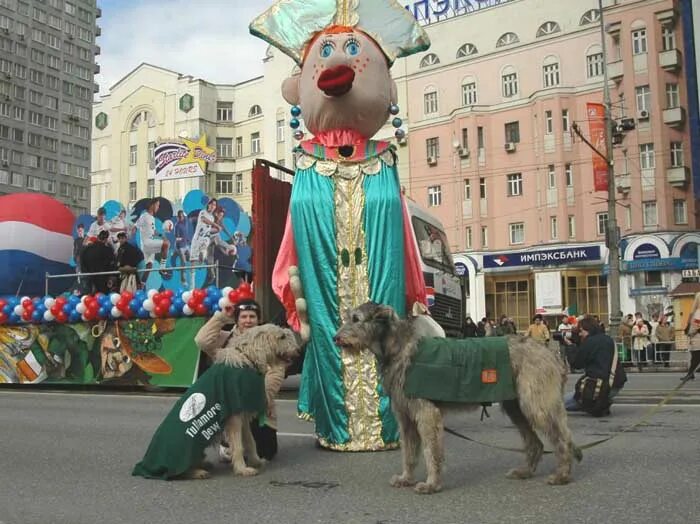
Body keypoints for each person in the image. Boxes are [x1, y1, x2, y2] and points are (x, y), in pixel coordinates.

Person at [194, 298, 282, 460]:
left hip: (258, 407)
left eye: (252, 316)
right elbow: (201, 341)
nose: (248, 321)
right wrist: (221, 317)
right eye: (243, 316)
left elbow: (275, 373)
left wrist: (262, 399)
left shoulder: (269, 341)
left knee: (267, 452)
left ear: (259, 319)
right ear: (237, 320)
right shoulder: (226, 340)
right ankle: (228, 443)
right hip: (231, 406)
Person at [565, 316, 627, 416]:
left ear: (588, 330)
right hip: (616, 383)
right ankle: (602, 402)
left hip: (599, 387)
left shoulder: (590, 342)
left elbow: (576, 364)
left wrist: (571, 347)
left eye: (581, 331)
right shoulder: (607, 339)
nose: (579, 334)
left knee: (559, 404)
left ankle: (596, 403)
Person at [135, 198, 170, 279]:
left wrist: (162, 236)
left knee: (149, 266)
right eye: (157, 205)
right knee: (167, 244)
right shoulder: (144, 216)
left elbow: (153, 231)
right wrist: (130, 231)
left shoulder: (152, 218)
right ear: (152, 205)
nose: (158, 207)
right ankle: (162, 268)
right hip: (147, 243)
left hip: (148, 244)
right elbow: (136, 226)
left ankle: (142, 285)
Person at [681, 292, 700, 381]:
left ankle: (690, 374)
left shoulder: (698, 312)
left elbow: (696, 325)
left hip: (697, 337)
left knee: (695, 356)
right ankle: (690, 373)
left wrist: (690, 332)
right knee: (695, 356)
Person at [171, 210, 191, 286]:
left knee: (190, 258)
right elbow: (176, 238)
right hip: (180, 246)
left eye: (182, 216)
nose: (181, 218)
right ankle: (183, 281)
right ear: (177, 218)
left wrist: (187, 239)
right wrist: (183, 238)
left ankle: (175, 254)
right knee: (184, 263)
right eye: (179, 217)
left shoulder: (186, 222)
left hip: (186, 245)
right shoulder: (177, 226)